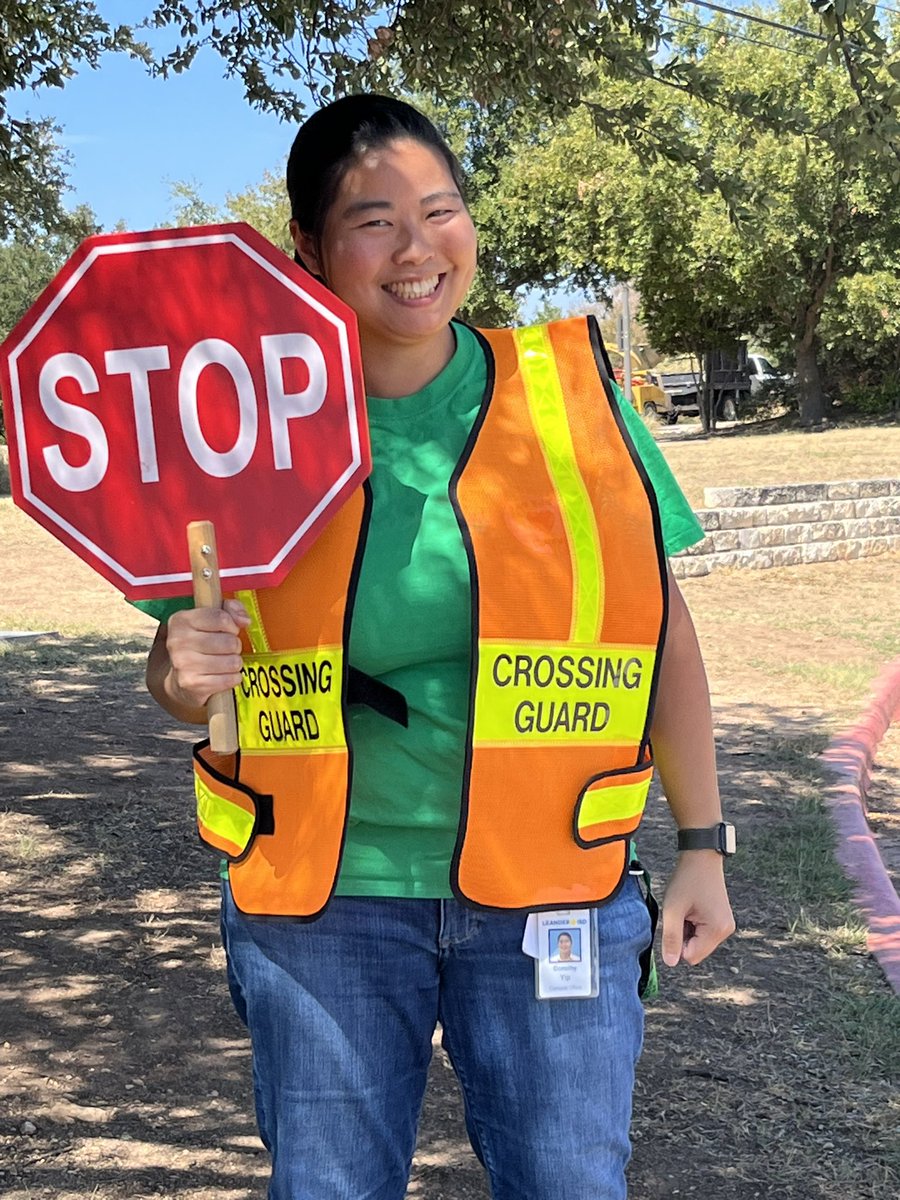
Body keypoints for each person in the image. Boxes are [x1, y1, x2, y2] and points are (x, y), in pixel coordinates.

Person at [139, 93, 735, 1200]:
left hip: (555, 883)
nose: (416, 249)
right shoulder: (235, 421)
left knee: (568, 1184)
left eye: (440, 210)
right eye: (373, 221)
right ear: (308, 250)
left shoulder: (572, 399)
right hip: (324, 900)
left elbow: (664, 633)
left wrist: (702, 842)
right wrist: (178, 675)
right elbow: (185, 662)